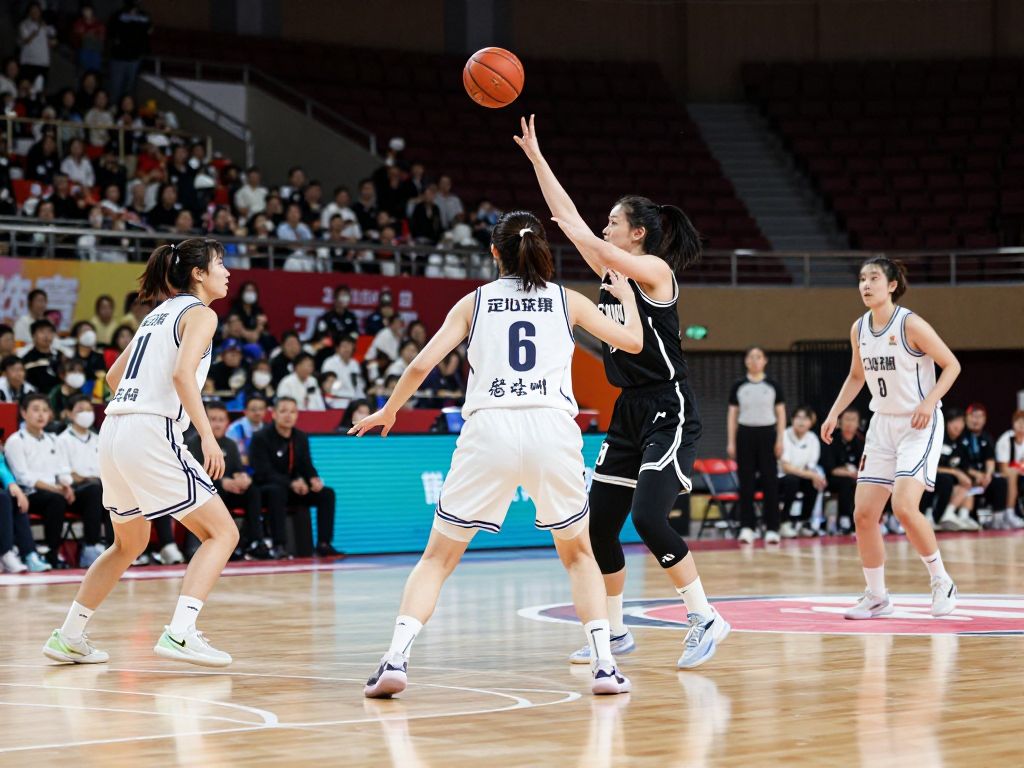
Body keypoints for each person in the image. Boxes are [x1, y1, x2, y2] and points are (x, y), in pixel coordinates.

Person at [352, 210, 638, 698]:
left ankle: (395, 658)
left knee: (437, 559)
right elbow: (631, 342)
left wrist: (390, 410)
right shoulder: (567, 301)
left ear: (494, 253)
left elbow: (421, 364)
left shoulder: (475, 301)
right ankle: (605, 667)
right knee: (579, 555)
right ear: (541, 249)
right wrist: (627, 299)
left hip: (490, 429)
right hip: (551, 429)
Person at [515, 115, 727, 669]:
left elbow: (582, 235)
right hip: (629, 409)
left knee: (649, 519)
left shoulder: (655, 270)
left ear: (637, 234)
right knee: (599, 526)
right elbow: (567, 220)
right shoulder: (612, 270)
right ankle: (614, 632)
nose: (604, 229)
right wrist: (538, 160)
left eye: (613, 222)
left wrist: (581, 232)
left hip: (668, 406)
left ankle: (704, 617)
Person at [42, 237, 238, 668]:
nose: (227, 271)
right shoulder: (201, 314)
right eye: (220, 263)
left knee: (128, 543)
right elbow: (183, 375)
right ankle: (181, 632)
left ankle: (69, 636)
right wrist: (207, 436)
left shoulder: (157, 314)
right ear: (198, 274)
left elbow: (114, 376)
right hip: (150, 429)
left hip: (114, 428)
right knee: (223, 533)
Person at [820, 257, 961, 620]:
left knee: (903, 506)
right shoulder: (859, 328)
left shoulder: (910, 324)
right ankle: (878, 596)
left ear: (892, 285)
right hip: (882, 423)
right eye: (861, 279)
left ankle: (941, 580)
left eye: (874, 278)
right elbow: (856, 376)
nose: (866, 285)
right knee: (864, 514)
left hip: (918, 423)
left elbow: (952, 364)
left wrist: (930, 401)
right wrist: (834, 412)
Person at [6, 394, 100, 570]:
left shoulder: (52, 439)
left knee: (94, 491)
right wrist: (56, 489)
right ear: (24, 413)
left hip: (56, 491)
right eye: (36, 410)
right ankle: (52, 552)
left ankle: (91, 547)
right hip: (30, 494)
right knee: (55, 500)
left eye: (45, 410)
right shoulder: (16, 441)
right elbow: (23, 478)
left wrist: (66, 485)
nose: (41, 414)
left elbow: (62, 470)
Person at [250, 397, 337, 558]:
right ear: (274, 414)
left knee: (327, 494)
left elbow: (306, 464)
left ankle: (324, 543)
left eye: (292, 411)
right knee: (277, 491)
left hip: (294, 488)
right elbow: (263, 472)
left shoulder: (300, 437)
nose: (288, 415)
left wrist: (313, 479)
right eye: (283, 411)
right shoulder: (260, 437)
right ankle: (279, 545)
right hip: (268, 487)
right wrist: (291, 483)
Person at [187, 402, 269, 560]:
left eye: (221, 420)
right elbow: (194, 475)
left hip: (230, 492)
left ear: (227, 422)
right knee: (214, 487)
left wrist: (242, 478)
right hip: (205, 495)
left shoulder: (230, 444)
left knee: (253, 490)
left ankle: (255, 542)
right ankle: (214, 543)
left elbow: (237, 469)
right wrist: (223, 482)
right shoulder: (194, 443)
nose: (217, 424)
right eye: (213, 419)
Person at [727, 347, 786, 545]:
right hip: (745, 434)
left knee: (770, 482)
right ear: (746, 361)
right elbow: (732, 415)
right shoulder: (738, 386)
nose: (754, 360)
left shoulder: (773, 385)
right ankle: (747, 528)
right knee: (746, 484)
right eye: (751, 357)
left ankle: (772, 529)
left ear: (765, 360)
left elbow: (781, 414)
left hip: (768, 434)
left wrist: (780, 440)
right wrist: (731, 441)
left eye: (758, 357)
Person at [57, 395, 109, 566]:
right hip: (75, 493)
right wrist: (84, 478)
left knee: (114, 492)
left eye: (89, 409)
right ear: (69, 414)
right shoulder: (62, 440)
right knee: (95, 490)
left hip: (100, 488)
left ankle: (115, 546)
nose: (86, 413)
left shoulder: (98, 439)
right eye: (80, 410)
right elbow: (65, 474)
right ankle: (91, 547)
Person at [778, 406, 827, 538]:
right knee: (792, 480)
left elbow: (810, 466)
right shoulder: (784, 435)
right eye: (798, 418)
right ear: (792, 419)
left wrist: (815, 476)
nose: (801, 422)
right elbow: (786, 467)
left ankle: (804, 522)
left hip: (801, 477)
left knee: (814, 482)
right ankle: (784, 522)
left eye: (805, 418)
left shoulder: (812, 438)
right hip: (780, 478)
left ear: (811, 422)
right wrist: (812, 475)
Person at [926, 407, 976, 532]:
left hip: (950, 484)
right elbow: (930, 466)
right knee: (946, 479)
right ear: (947, 422)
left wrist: (977, 475)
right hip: (931, 479)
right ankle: (930, 515)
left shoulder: (961, 445)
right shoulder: (938, 438)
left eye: (961, 422)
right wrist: (955, 472)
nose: (958, 425)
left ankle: (955, 515)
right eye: (955, 421)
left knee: (967, 482)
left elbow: (964, 467)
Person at [961, 403, 1009, 530]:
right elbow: (960, 463)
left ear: (984, 419)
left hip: (983, 478)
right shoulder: (960, 435)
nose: (976, 420)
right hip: (968, 475)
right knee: (966, 481)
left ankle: (998, 519)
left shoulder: (986, 437)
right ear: (966, 417)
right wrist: (976, 475)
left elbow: (990, 459)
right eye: (973, 416)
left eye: (980, 417)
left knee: (1000, 481)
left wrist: (988, 475)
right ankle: (967, 516)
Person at [820, 408, 863, 535]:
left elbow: (864, 465)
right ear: (839, 422)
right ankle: (844, 519)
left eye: (853, 420)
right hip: (832, 480)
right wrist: (849, 473)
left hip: (855, 478)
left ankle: (868, 520)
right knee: (846, 482)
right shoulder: (831, 440)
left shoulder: (861, 442)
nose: (849, 423)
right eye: (847, 419)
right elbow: (832, 469)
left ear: (858, 423)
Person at [995, 410, 1024, 529]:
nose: (1022, 425)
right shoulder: (1006, 439)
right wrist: (1019, 469)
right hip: (1001, 475)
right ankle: (1009, 512)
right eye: (1019, 422)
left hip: (1020, 473)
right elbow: (1003, 468)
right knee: (1012, 473)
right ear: (1013, 423)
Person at [321, 335, 365, 408]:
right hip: (337, 400)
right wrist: (341, 384)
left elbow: (359, 385)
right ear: (337, 348)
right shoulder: (329, 363)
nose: (347, 349)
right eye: (344, 346)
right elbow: (328, 387)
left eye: (349, 346)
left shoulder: (354, 364)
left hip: (355, 400)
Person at [22, 319, 64, 393]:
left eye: (49, 332)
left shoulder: (61, 356)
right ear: (33, 335)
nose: (46, 336)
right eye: (42, 332)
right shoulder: (27, 358)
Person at [226, 394, 268, 467]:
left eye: (261, 409)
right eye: (253, 409)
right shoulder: (234, 429)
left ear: (265, 411)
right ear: (245, 411)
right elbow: (229, 455)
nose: (257, 413)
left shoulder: (268, 428)